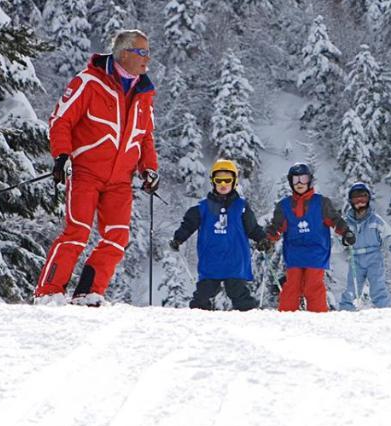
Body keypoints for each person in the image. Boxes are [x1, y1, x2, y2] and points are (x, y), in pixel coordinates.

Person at [35, 29, 159, 305]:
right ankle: (49, 291)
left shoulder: (144, 93)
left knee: (117, 237)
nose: (147, 59)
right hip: (86, 173)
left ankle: (88, 292)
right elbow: (61, 120)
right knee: (77, 230)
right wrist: (62, 155)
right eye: (142, 52)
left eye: (148, 52)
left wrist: (148, 169)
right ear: (124, 53)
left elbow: (145, 136)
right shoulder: (89, 81)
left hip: (120, 180)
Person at [169, 159, 269, 310]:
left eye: (227, 180)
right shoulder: (202, 207)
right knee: (202, 295)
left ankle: (250, 319)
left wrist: (262, 239)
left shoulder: (241, 207)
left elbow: (252, 227)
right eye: (219, 180)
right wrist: (178, 239)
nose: (223, 184)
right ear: (213, 182)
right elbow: (188, 224)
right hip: (211, 261)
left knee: (239, 294)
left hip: (234, 261)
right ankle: (199, 322)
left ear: (234, 182)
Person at [265, 162, 354, 312]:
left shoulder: (321, 203)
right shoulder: (284, 206)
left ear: (310, 180)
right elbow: (277, 227)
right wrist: (268, 239)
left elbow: (335, 220)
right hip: (294, 253)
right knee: (292, 286)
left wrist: (346, 232)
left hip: (316, 252)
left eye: (303, 179)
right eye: (295, 180)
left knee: (313, 285)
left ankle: (317, 317)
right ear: (290, 182)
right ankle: (287, 317)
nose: (299, 183)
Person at [337, 182, 391, 310]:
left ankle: (385, 311)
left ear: (368, 199)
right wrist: (344, 241)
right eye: (356, 199)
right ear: (351, 201)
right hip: (356, 257)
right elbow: (337, 241)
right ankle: (346, 312)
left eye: (363, 198)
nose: (360, 202)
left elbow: (387, 235)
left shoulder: (375, 219)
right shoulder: (347, 222)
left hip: (373, 257)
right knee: (352, 288)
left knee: (377, 287)